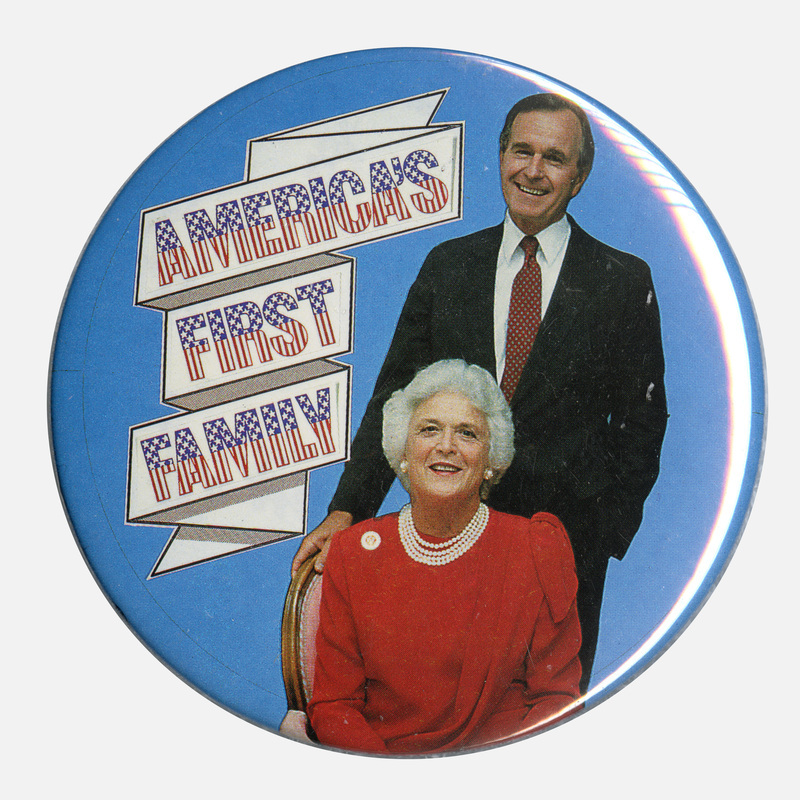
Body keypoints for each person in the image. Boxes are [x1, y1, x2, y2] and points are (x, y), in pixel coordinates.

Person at [293, 92, 668, 692]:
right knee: (440, 712)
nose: (534, 170)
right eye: (522, 151)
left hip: (560, 551)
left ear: (579, 177)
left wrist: (596, 536)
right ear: (499, 159)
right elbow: (392, 396)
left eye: (554, 157)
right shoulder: (448, 266)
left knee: (540, 716)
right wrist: (350, 507)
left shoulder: (621, 281)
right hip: (446, 537)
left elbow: (643, 422)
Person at [306, 360, 581, 754]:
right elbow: (334, 706)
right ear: (402, 451)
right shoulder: (353, 554)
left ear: (490, 460)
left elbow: (556, 699)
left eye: (467, 433)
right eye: (429, 429)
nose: (446, 445)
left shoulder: (535, 548)